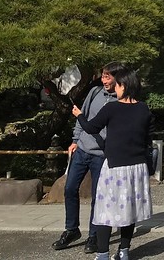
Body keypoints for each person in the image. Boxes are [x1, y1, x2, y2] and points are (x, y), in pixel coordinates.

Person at [71, 66, 153, 260]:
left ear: (123, 86)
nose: (113, 89)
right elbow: (148, 137)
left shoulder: (112, 107)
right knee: (129, 210)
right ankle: (124, 251)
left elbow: (91, 127)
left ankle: (103, 254)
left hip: (116, 166)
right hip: (138, 167)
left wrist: (78, 115)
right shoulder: (144, 108)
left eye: (116, 85)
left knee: (105, 211)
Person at [52, 62, 124, 254]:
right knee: (69, 189)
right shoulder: (94, 92)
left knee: (97, 198)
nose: (104, 80)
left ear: (118, 78)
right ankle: (71, 229)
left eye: (108, 77)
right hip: (82, 149)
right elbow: (82, 117)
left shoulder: (122, 100)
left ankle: (94, 235)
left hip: (102, 156)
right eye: (103, 76)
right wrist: (75, 140)